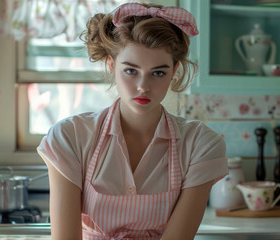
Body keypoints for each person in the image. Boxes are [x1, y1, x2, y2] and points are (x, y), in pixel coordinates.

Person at [37, 3, 228, 240]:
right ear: (111, 65)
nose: (143, 86)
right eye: (131, 71)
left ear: (175, 70)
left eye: (158, 73)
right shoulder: (70, 137)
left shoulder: (201, 144)